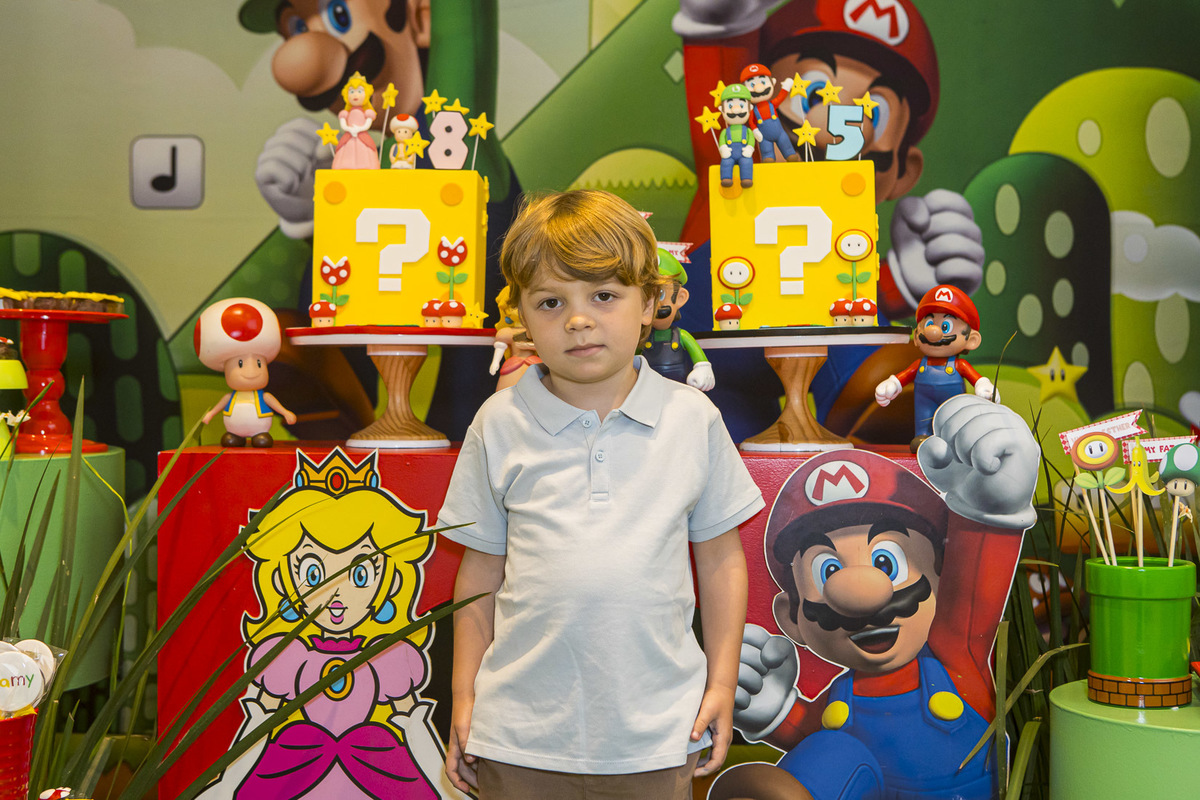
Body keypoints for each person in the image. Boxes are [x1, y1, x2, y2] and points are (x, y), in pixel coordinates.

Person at [437, 190, 764, 799]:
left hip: (659, 733)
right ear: (520, 314)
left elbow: (721, 561)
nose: (578, 320)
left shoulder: (692, 419)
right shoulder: (498, 423)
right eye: (551, 302)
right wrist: (464, 696)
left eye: (604, 296)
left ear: (651, 302)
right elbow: (478, 573)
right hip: (517, 735)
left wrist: (721, 685)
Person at [709, 395, 1038, 800]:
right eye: (827, 570)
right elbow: (815, 745)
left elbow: (974, 598)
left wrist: (991, 507)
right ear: (792, 617)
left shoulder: (956, 660)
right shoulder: (841, 698)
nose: (859, 595)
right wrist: (777, 710)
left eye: (886, 561)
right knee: (834, 750)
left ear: (942, 576)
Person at [199, 448, 465, 799]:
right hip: (291, 767)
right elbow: (258, 723)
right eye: (313, 573)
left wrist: (447, 789)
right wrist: (224, 788)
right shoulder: (285, 656)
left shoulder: (390, 657)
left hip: (379, 768)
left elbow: (413, 723)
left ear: (389, 582)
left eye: (359, 575)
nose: (337, 594)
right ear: (282, 579)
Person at [875, 284, 995, 449]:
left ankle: (953, 439)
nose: (933, 332)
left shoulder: (959, 365)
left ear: (971, 340)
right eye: (929, 323)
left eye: (945, 327)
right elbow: (906, 375)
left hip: (952, 403)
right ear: (917, 335)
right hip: (924, 401)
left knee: (953, 420)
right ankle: (923, 436)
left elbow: (976, 378)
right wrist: (893, 383)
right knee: (923, 417)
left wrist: (983, 385)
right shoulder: (920, 364)